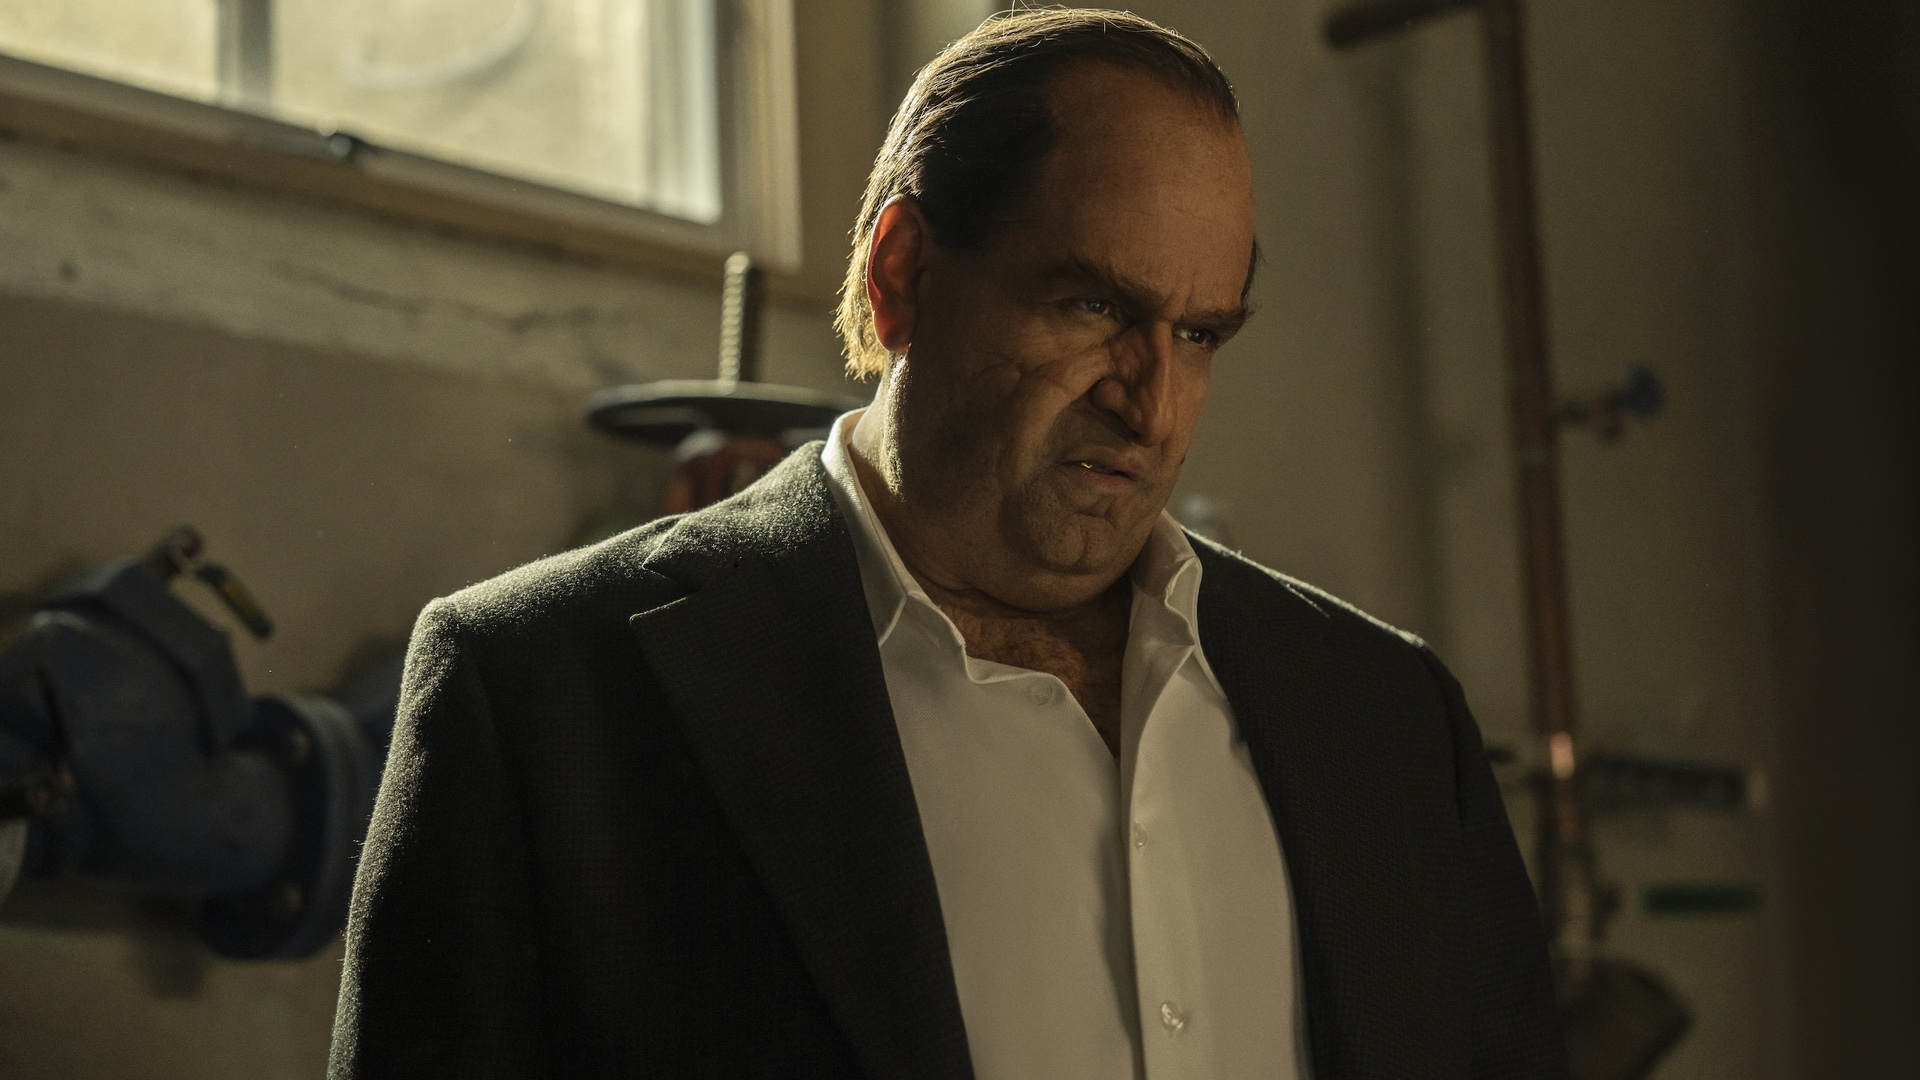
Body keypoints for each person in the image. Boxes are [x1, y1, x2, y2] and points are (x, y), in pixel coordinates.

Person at [328, 10, 1565, 1079]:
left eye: (1199, 335)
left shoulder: (1387, 720)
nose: (1150, 404)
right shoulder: (547, 694)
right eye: (1094, 305)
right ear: (903, 275)